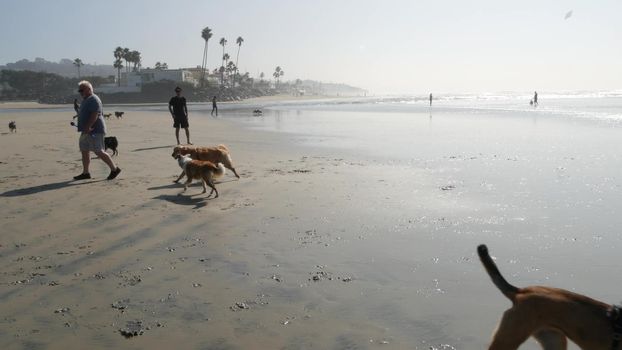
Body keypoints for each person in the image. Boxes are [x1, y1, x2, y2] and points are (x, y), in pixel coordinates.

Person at [73, 81, 121, 180]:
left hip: (94, 130)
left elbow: (95, 114)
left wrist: (88, 126)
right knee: (84, 150)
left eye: (82, 90)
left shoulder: (93, 99)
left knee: (99, 151)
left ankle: (114, 169)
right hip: (86, 131)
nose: (80, 92)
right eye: (79, 90)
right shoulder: (86, 100)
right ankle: (86, 173)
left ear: (89, 89)